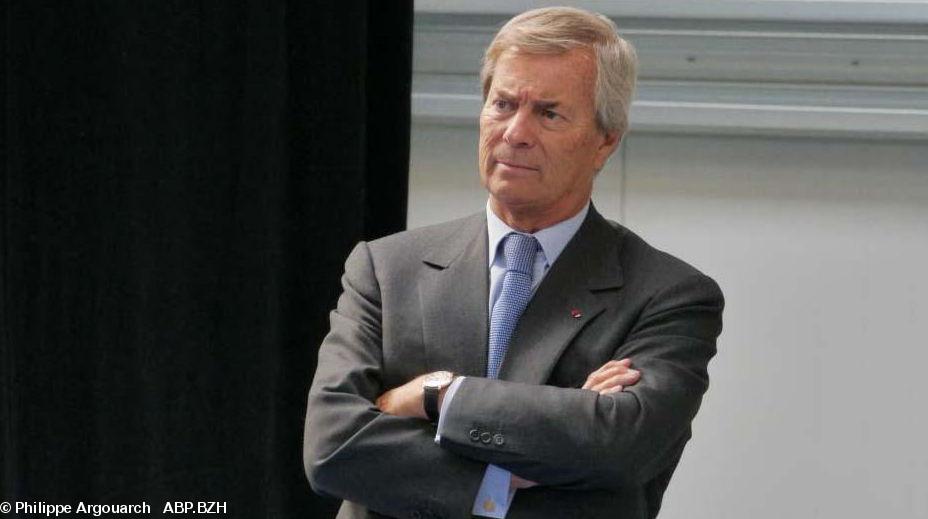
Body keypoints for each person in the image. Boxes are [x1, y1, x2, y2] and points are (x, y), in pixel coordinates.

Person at [303, 7, 724, 519]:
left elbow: (619, 446)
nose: (515, 132)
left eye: (549, 113)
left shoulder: (667, 295)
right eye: (503, 104)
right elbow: (332, 447)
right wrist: (513, 469)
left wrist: (436, 396)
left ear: (605, 140)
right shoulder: (385, 269)